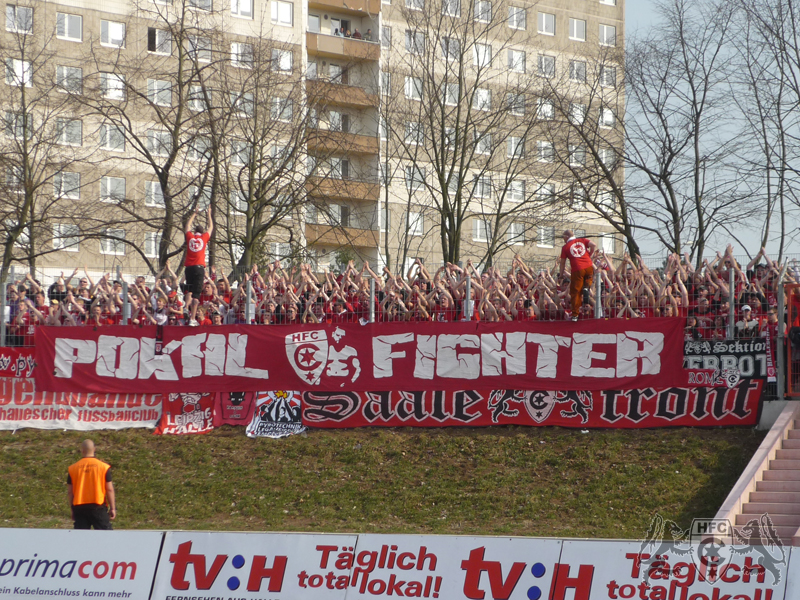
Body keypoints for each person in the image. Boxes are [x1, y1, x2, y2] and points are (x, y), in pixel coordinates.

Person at [67, 439, 116, 530]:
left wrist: (72, 510)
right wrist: (113, 508)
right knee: (106, 537)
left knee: (80, 538)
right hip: (98, 506)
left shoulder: (72, 468)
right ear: (94, 449)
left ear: (82, 450)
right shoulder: (103, 467)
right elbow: (109, 489)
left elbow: (70, 492)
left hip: (79, 507)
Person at [558, 230, 597, 322]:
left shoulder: (565, 247)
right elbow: (594, 245)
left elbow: (562, 263)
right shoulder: (582, 240)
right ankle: (586, 288)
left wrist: (561, 274)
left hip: (577, 269)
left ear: (567, 236)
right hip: (588, 265)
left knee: (575, 292)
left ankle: (575, 315)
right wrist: (589, 255)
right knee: (588, 278)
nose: (563, 239)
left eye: (563, 237)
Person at [184, 206, 214, 298]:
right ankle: (193, 311)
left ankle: (187, 307)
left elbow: (188, 226)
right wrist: (209, 214)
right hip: (198, 267)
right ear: (202, 232)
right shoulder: (204, 238)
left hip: (189, 267)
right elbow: (211, 227)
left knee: (189, 291)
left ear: (195, 231)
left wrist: (194, 213)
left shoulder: (190, 238)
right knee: (196, 294)